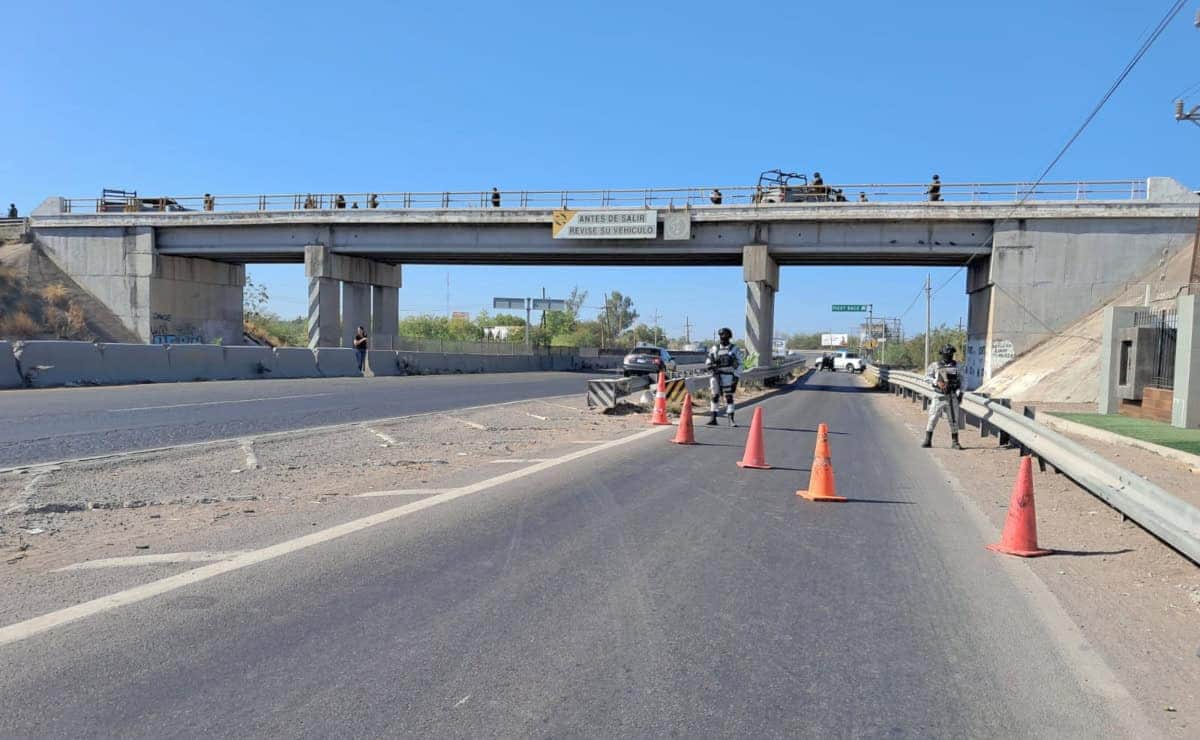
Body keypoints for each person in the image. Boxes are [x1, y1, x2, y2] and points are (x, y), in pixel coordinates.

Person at [922, 344, 963, 449]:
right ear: (942, 354)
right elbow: (926, 377)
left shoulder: (957, 366)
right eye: (946, 354)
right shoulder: (935, 365)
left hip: (952, 396)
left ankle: (955, 442)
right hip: (939, 395)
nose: (948, 356)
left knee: (953, 419)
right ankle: (928, 440)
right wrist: (937, 382)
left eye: (950, 354)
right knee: (933, 417)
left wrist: (961, 393)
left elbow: (963, 380)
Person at [705, 327, 743, 427]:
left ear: (729, 336)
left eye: (725, 335)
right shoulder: (714, 349)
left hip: (728, 376)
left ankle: (731, 418)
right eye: (721, 335)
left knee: (729, 397)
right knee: (714, 396)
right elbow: (708, 362)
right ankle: (713, 418)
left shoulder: (734, 349)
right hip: (716, 375)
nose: (722, 337)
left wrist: (736, 377)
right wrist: (712, 365)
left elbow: (740, 364)